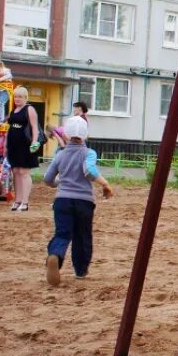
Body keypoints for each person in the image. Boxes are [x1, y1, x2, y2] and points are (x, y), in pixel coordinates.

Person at [43, 116, 114, 285]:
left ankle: (56, 255)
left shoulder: (60, 154)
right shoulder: (89, 153)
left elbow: (47, 178)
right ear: (85, 135)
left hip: (62, 201)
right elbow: (89, 171)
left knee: (62, 233)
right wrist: (105, 184)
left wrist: (59, 183)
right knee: (82, 236)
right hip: (84, 202)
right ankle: (81, 270)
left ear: (66, 135)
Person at [5, 86, 40, 212]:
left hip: (26, 145)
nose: (17, 99)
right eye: (15, 96)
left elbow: (35, 128)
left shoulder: (29, 109)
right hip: (13, 145)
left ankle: (25, 202)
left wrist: (34, 143)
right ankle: (17, 200)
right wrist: (5, 145)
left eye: (20, 96)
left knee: (24, 172)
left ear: (26, 98)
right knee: (15, 172)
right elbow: (9, 127)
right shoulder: (13, 110)